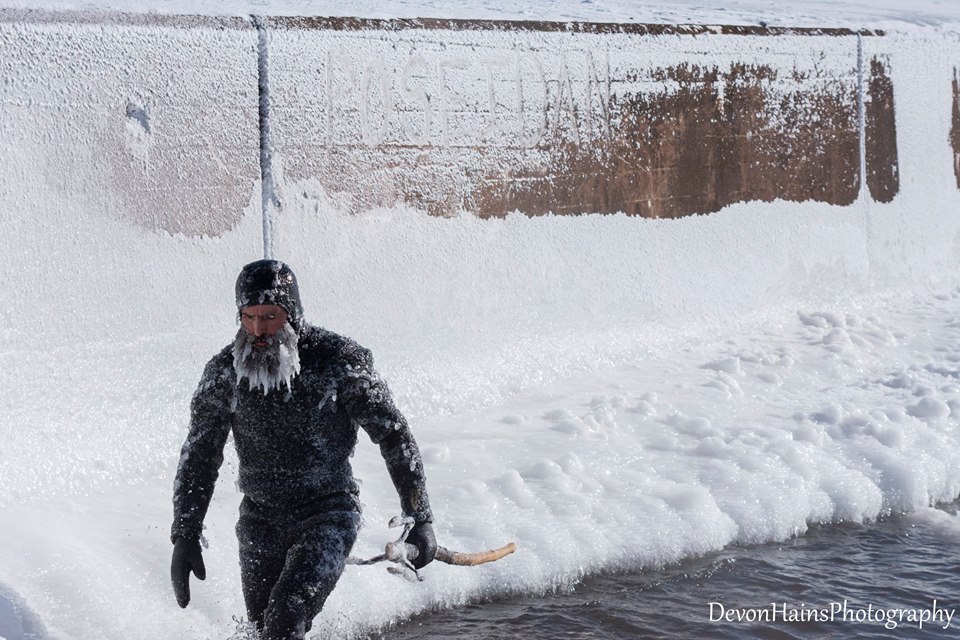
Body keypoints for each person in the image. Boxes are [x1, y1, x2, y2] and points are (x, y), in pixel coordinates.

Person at [170, 259, 436, 640]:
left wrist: (419, 515)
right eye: (249, 316)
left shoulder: (337, 361)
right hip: (260, 522)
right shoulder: (224, 373)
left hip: (327, 514)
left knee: (287, 616)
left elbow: (393, 435)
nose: (259, 330)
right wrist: (185, 532)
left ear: (292, 313)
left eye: (271, 316)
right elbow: (199, 456)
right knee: (263, 630)